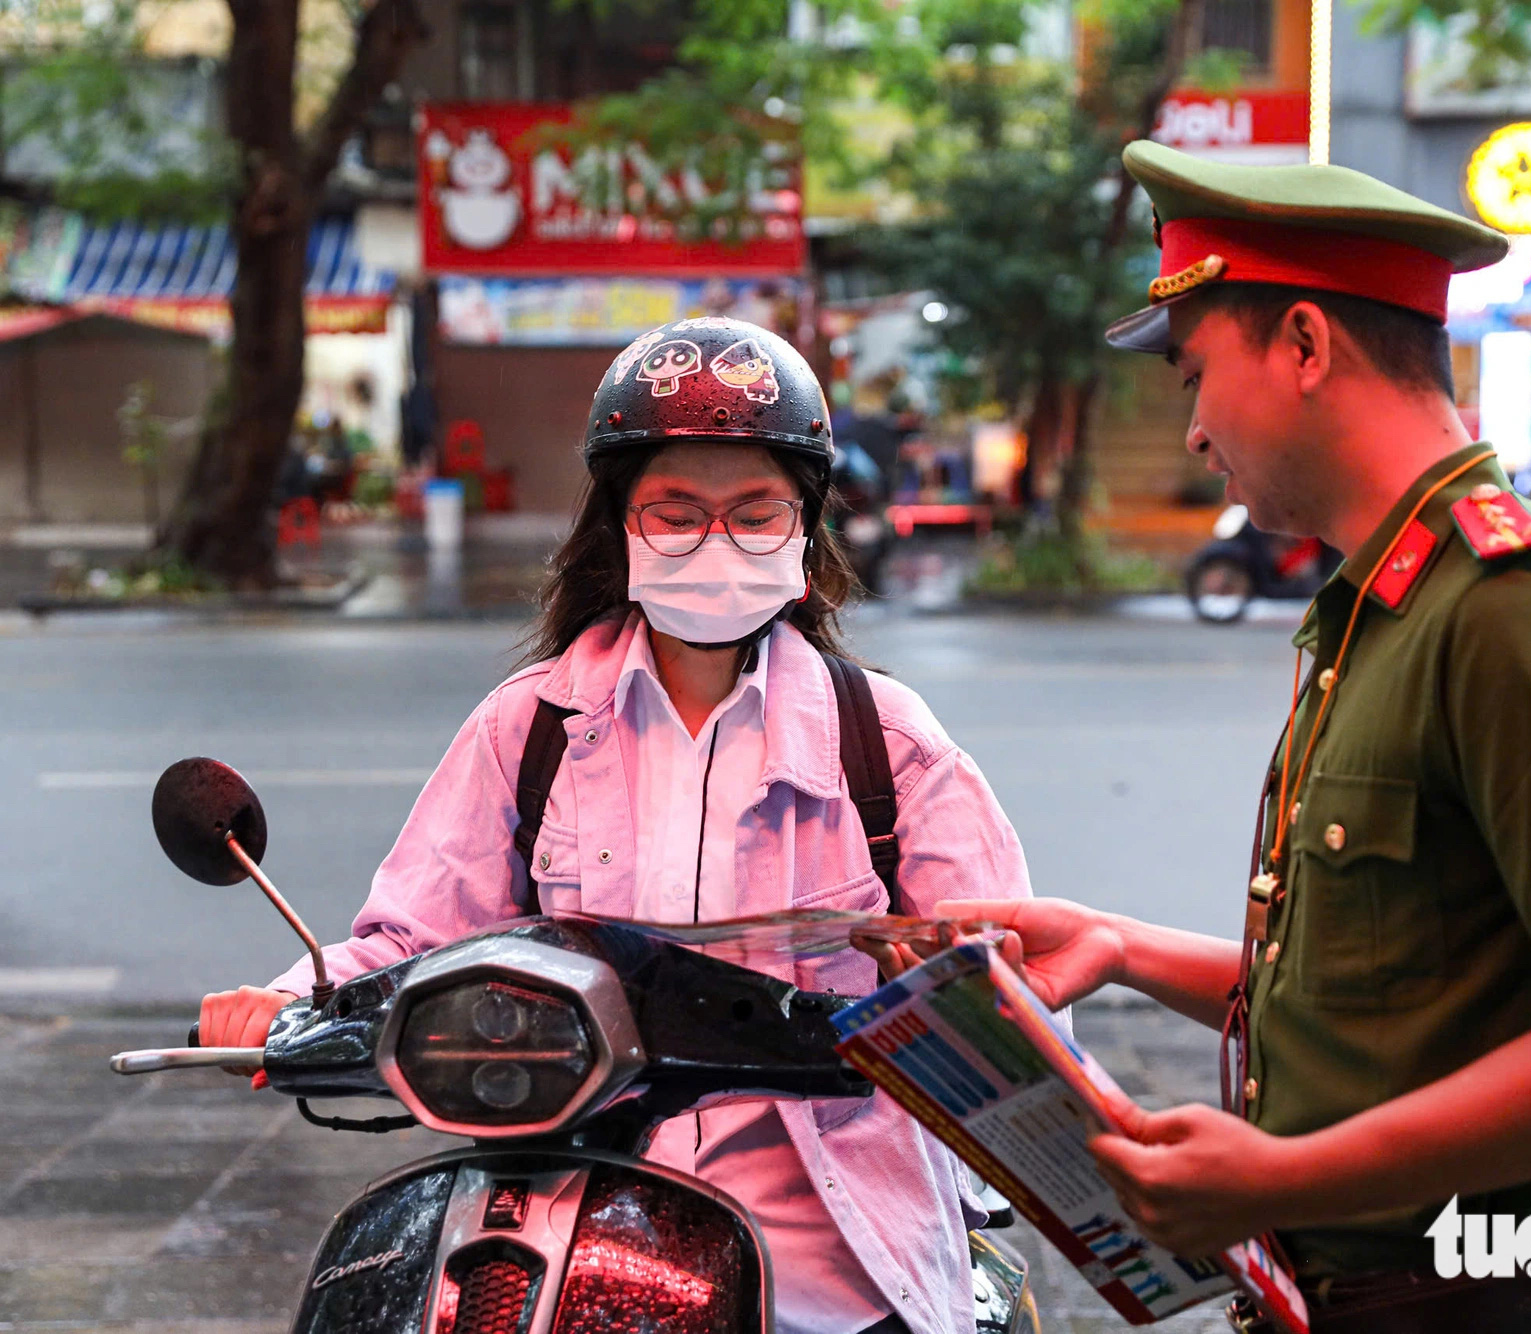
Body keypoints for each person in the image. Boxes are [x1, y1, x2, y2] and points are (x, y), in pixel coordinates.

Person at [939, 142, 1531, 1332]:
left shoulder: (1516, 604)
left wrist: (1280, 1178)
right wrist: (1115, 941)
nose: (1196, 430)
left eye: (1195, 374)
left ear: (1304, 345)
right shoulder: (1375, 605)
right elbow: (1378, 1003)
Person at [200, 317, 1031, 1334]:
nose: (714, 540)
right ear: (621, 530)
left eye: (753, 511)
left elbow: (1013, 983)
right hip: (570, 1218)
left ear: (802, 538)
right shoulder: (529, 727)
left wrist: (960, 1013)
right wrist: (286, 999)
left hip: (841, 1258)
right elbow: (408, 942)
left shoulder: (888, 741)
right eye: (675, 511)